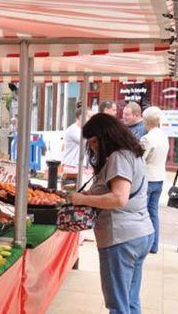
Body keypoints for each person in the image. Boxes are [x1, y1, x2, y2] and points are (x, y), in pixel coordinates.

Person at [69, 113, 153, 314]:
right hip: (140, 233)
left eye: (95, 141)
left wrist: (83, 199)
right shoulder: (133, 154)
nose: (94, 147)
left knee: (118, 304)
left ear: (107, 136)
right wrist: (93, 194)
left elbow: (119, 198)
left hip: (121, 238)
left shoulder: (118, 157)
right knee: (130, 299)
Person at [140, 106, 169, 254]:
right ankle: (154, 245)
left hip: (148, 179)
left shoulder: (147, 138)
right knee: (153, 213)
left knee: (142, 213)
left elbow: (139, 159)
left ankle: (144, 245)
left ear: (146, 121)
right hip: (160, 178)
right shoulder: (164, 136)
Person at [61, 107, 91, 171]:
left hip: (80, 165)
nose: (90, 119)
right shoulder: (73, 129)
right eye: (89, 116)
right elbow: (87, 142)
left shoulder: (83, 129)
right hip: (72, 165)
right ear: (80, 117)